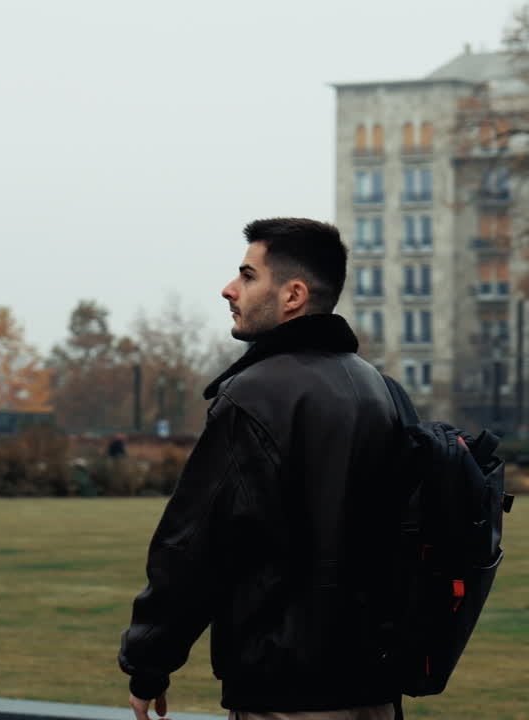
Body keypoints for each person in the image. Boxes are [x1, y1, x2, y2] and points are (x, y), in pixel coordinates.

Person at [119, 218, 412, 720]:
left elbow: (193, 546)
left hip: (284, 691)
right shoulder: (382, 392)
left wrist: (149, 662)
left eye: (248, 276)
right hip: (376, 689)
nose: (229, 289)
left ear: (293, 295)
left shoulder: (255, 396)